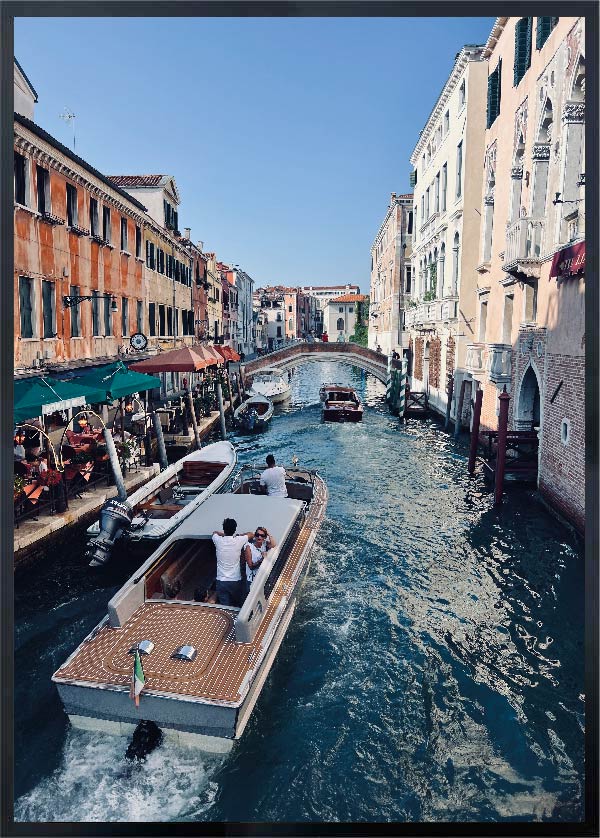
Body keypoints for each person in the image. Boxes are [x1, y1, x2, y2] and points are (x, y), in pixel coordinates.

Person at [212, 518, 249, 607]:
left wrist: (223, 534)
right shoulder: (238, 540)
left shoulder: (218, 540)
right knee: (237, 606)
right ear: (235, 529)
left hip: (221, 582)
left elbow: (214, 533)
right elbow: (251, 534)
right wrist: (238, 535)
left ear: (224, 529)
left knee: (225, 607)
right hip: (235, 581)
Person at [244, 526, 277, 594]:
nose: (259, 537)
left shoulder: (264, 543)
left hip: (262, 578)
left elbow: (273, 545)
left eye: (262, 535)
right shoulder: (248, 546)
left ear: (265, 537)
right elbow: (251, 566)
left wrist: (268, 534)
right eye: (257, 535)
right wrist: (262, 559)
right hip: (252, 580)